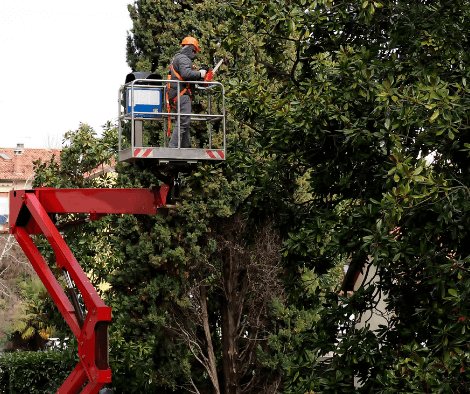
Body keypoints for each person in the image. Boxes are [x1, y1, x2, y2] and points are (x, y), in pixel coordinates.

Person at [167, 36, 207, 148]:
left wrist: (197, 76)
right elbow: (185, 74)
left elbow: (186, 75)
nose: (194, 54)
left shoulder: (178, 58)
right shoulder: (184, 59)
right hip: (181, 94)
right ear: (191, 49)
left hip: (177, 93)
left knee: (185, 122)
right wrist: (199, 74)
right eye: (194, 51)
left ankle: (185, 147)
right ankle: (173, 148)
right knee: (183, 122)